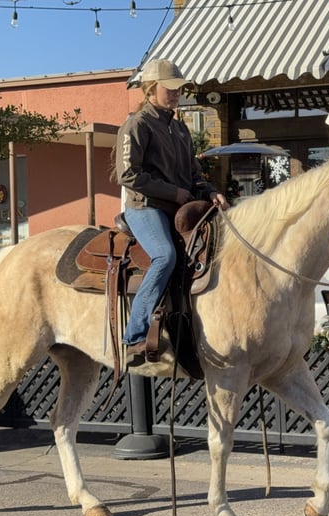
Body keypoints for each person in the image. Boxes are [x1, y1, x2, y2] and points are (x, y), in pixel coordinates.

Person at [115, 58, 229, 361]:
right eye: (171, 87)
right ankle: (135, 335)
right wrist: (173, 192)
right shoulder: (137, 124)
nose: (177, 92)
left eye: (179, 88)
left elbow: (194, 176)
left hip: (179, 209)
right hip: (145, 207)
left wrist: (211, 192)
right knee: (165, 256)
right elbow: (128, 175)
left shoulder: (179, 129)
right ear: (151, 89)